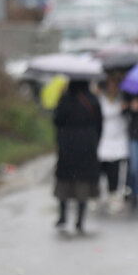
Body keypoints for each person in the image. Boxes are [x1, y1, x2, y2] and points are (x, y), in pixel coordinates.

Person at [53, 80, 103, 233]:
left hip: (67, 144)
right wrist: (94, 140)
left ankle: (63, 216)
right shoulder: (93, 100)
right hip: (87, 145)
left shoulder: (65, 100)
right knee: (84, 182)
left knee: (64, 180)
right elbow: (100, 124)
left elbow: (57, 120)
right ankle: (80, 220)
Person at [97, 75, 129, 214]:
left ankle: (114, 197)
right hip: (103, 140)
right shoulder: (101, 99)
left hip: (118, 142)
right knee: (101, 171)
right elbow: (104, 113)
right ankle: (98, 195)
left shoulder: (122, 99)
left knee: (115, 171)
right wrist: (118, 109)